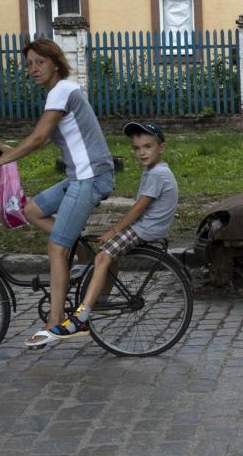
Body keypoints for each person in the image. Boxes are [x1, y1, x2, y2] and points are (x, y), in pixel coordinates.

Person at [0, 38, 114, 348]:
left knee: (55, 248)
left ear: (55, 62)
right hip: (80, 175)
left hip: (89, 177)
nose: (33, 69)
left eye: (40, 62)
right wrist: (12, 152)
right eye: (29, 64)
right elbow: (53, 138)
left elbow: (38, 138)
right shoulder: (60, 93)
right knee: (32, 210)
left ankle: (57, 324)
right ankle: (86, 255)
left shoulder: (62, 90)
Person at [48, 121, 179, 340]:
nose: (142, 152)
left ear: (161, 148)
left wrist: (114, 229)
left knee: (102, 257)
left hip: (146, 228)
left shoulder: (157, 174)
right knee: (110, 252)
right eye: (137, 148)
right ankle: (102, 299)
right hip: (147, 225)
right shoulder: (155, 170)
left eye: (147, 147)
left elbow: (138, 208)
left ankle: (81, 317)